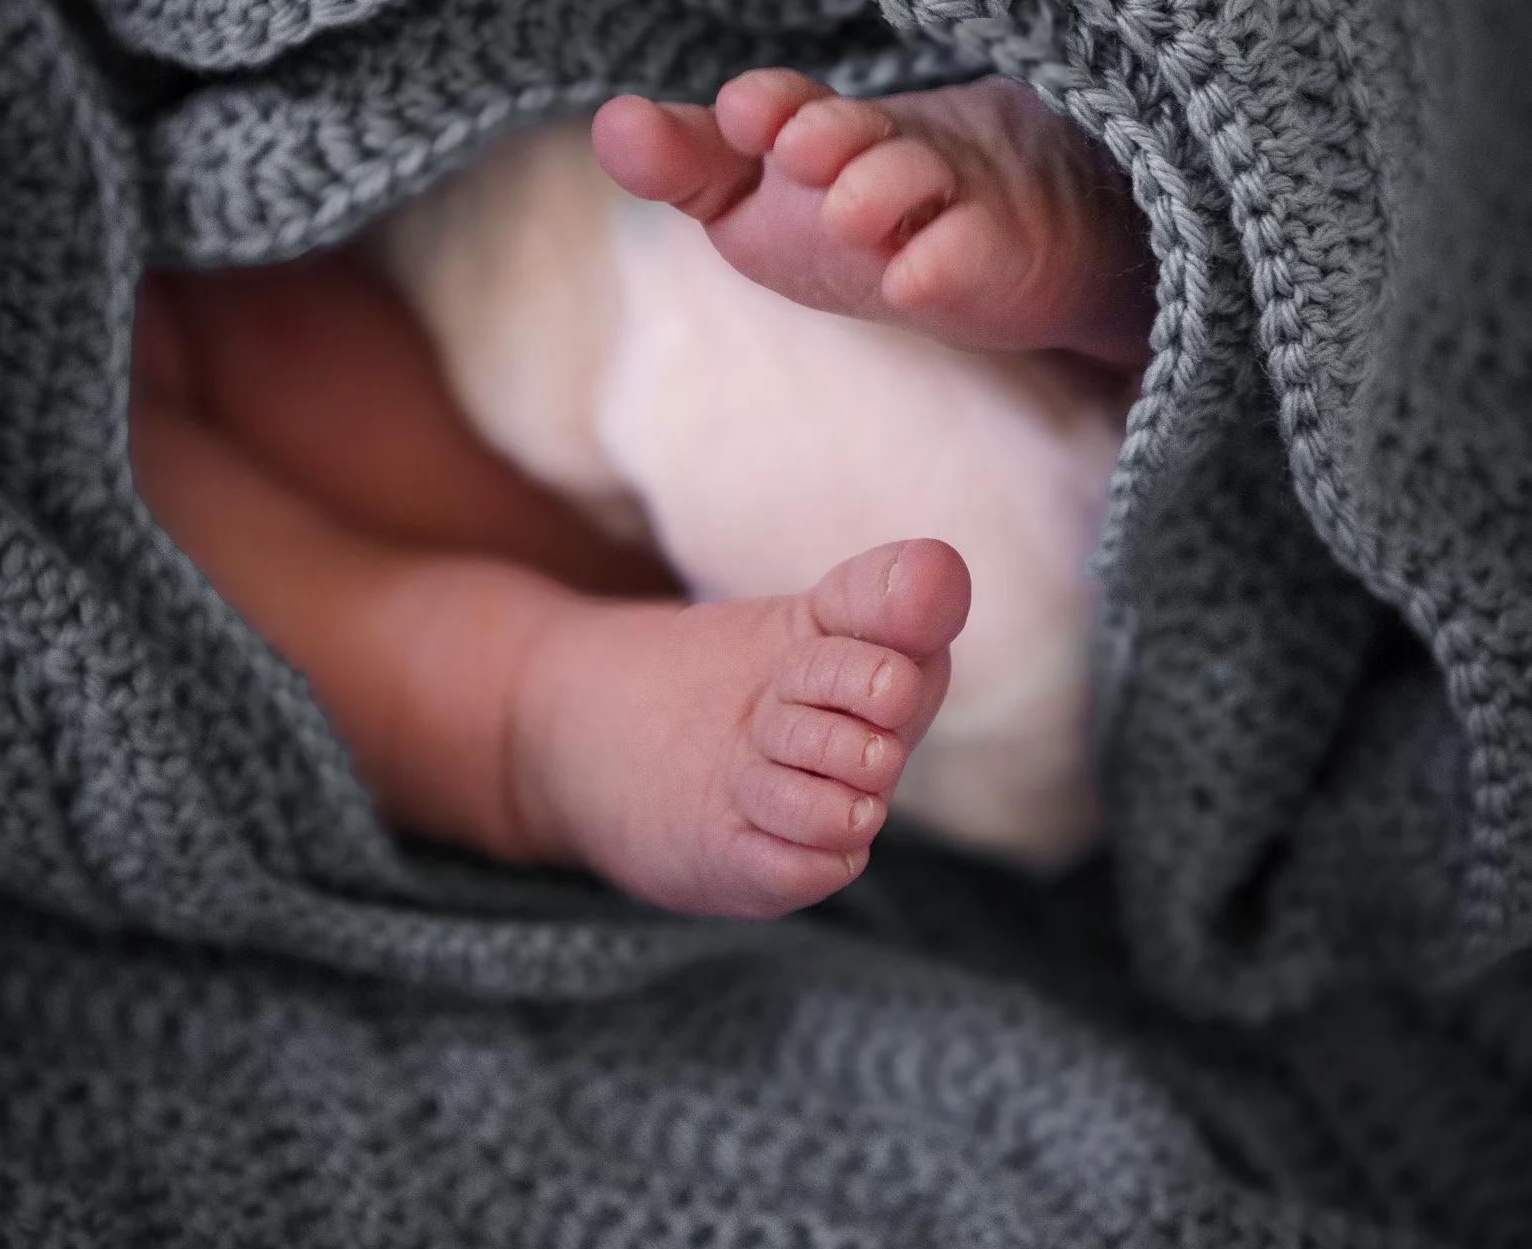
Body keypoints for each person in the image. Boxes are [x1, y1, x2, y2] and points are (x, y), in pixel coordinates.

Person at [131, 65, 1153, 919]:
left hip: (507, 182)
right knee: (144, 522)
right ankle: (538, 712)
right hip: (736, 573)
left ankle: (1127, 236)